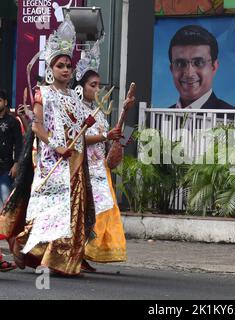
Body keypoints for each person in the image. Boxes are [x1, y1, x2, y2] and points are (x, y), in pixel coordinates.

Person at [7, 15, 96, 276]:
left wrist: (87, 122)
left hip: (74, 159)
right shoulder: (41, 93)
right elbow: (37, 126)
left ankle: (60, 260)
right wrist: (57, 147)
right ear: (51, 70)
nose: (66, 70)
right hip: (50, 161)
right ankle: (25, 245)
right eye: (60, 66)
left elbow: (78, 130)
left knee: (71, 211)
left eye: (69, 65)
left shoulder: (74, 97)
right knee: (49, 211)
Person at [73, 40, 130, 271]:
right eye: (93, 85)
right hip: (82, 169)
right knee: (87, 212)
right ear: (82, 87)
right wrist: (107, 135)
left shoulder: (100, 113)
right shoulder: (75, 109)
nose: (97, 90)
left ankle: (86, 253)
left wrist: (124, 116)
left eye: (99, 85)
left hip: (100, 170)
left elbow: (109, 137)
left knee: (104, 211)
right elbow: (77, 140)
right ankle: (78, 254)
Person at [168, 25, 235, 110]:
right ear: (171, 69)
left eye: (199, 62)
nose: (189, 73)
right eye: (180, 63)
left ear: (214, 67)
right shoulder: (158, 118)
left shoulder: (234, 119)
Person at [0, 89, 21, 272]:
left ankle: (16, 252)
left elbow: (19, 145)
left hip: (5, 171)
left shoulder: (12, 122)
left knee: (7, 211)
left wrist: (16, 164)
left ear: (5, 102)